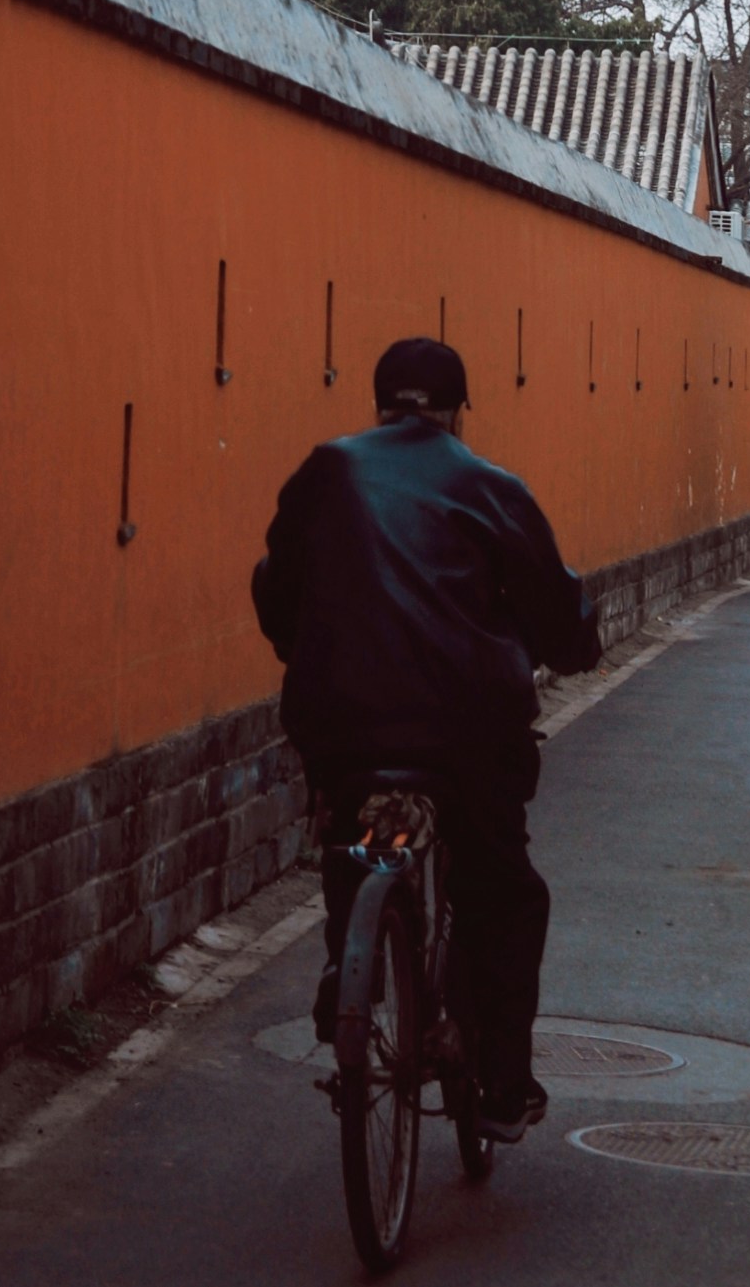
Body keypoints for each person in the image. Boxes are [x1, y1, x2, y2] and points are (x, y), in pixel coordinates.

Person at [251, 333, 600, 1138]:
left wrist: (302, 647)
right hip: (465, 732)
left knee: (361, 828)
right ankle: (504, 1084)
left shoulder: (327, 469)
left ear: (379, 403)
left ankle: (350, 955)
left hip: (345, 724)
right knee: (501, 887)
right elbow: (557, 603)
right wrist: (575, 647)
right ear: (456, 412)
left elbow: (277, 584)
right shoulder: (489, 486)